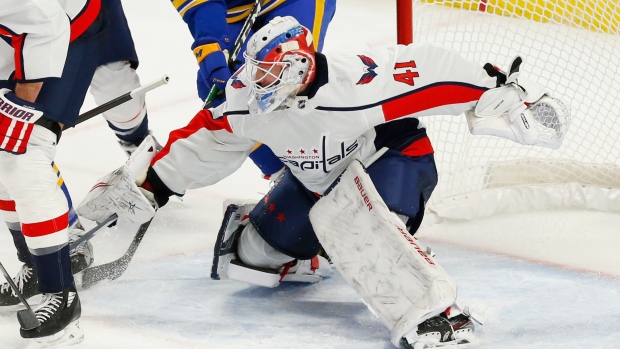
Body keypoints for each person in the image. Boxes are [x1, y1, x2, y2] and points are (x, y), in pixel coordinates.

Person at [77, 16, 570, 349]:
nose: (266, 78)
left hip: (393, 161)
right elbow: (206, 141)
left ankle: (432, 314)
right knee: (254, 259)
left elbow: (440, 75)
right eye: (260, 67)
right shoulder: (248, 99)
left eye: (276, 67)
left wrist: (507, 96)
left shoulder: (361, 82)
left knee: (354, 223)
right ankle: (280, 235)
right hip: (317, 182)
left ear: (300, 59)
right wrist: (151, 187)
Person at [0, 0, 155, 346]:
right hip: (21, 32)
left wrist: (21, 104)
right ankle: (40, 267)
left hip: (68, 26)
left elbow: (44, 24)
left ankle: (61, 296)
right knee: (3, 152)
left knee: (24, 152)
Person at [171, 0, 337, 179]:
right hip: (235, 9)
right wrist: (212, 43)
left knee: (286, 78)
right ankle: (285, 177)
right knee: (227, 87)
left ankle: (320, 170)